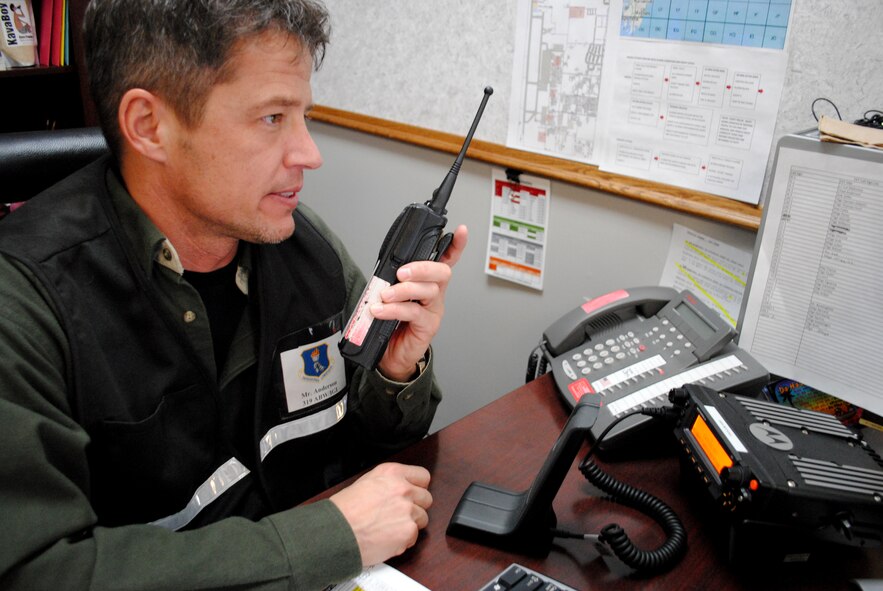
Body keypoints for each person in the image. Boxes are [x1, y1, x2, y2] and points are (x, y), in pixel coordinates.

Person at [0, 1, 469, 589]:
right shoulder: (23, 305)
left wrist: (394, 373)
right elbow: (37, 573)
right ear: (149, 126)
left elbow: (373, 453)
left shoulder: (308, 249)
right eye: (273, 118)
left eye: (304, 116)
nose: (310, 153)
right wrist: (327, 537)